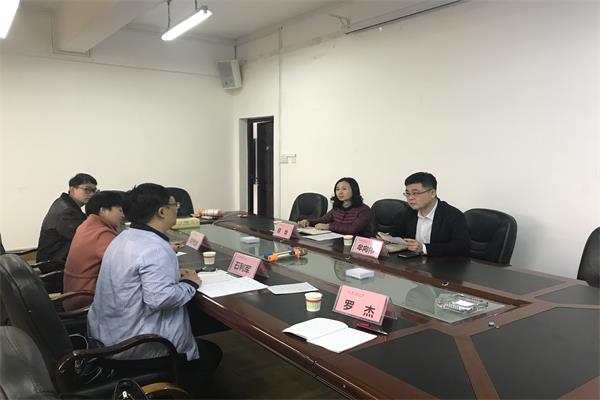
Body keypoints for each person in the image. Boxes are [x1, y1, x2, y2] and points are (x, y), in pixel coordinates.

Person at [87, 183, 221, 394]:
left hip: (109, 335)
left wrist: (171, 274)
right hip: (136, 346)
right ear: (162, 211)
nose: (177, 209)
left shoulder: (124, 236)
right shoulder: (155, 248)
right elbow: (161, 299)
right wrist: (191, 283)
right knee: (210, 353)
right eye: (174, 205)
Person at [62, 191, 124, 311]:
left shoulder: (88, 225)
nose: (122, 215)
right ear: (103, 210)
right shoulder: (100, 233)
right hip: (87, 298)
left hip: (74, 294)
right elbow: (125, 262)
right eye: (120, 210)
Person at [386, 172, 470, 256]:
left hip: (443, 262)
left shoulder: (453, 215)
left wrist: (423, 248)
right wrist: (386, 239)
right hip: (413, 261)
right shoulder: (407, 212)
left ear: (432, 193)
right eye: (408, 193)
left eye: (415, 193)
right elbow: (395, 234)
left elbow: (461, 247)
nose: (410, 198)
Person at [36, 173, 97, 268]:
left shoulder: (63, 202)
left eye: (94, 191)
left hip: (56, 257)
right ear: (72, 190)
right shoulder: (67, 211)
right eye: (87, 190)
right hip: (55, 263)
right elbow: (84, 238)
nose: (92, 194)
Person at [299, 177, 373, 237]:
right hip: (338, 241)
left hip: (356, 244)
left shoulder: (364, 210)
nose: (340, 192)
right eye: (337, 189)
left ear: (354, 190)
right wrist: (308, 222)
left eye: (344, 189)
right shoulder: (337, 207)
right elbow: (323, 220)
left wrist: (328, 226)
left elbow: (352, 229)